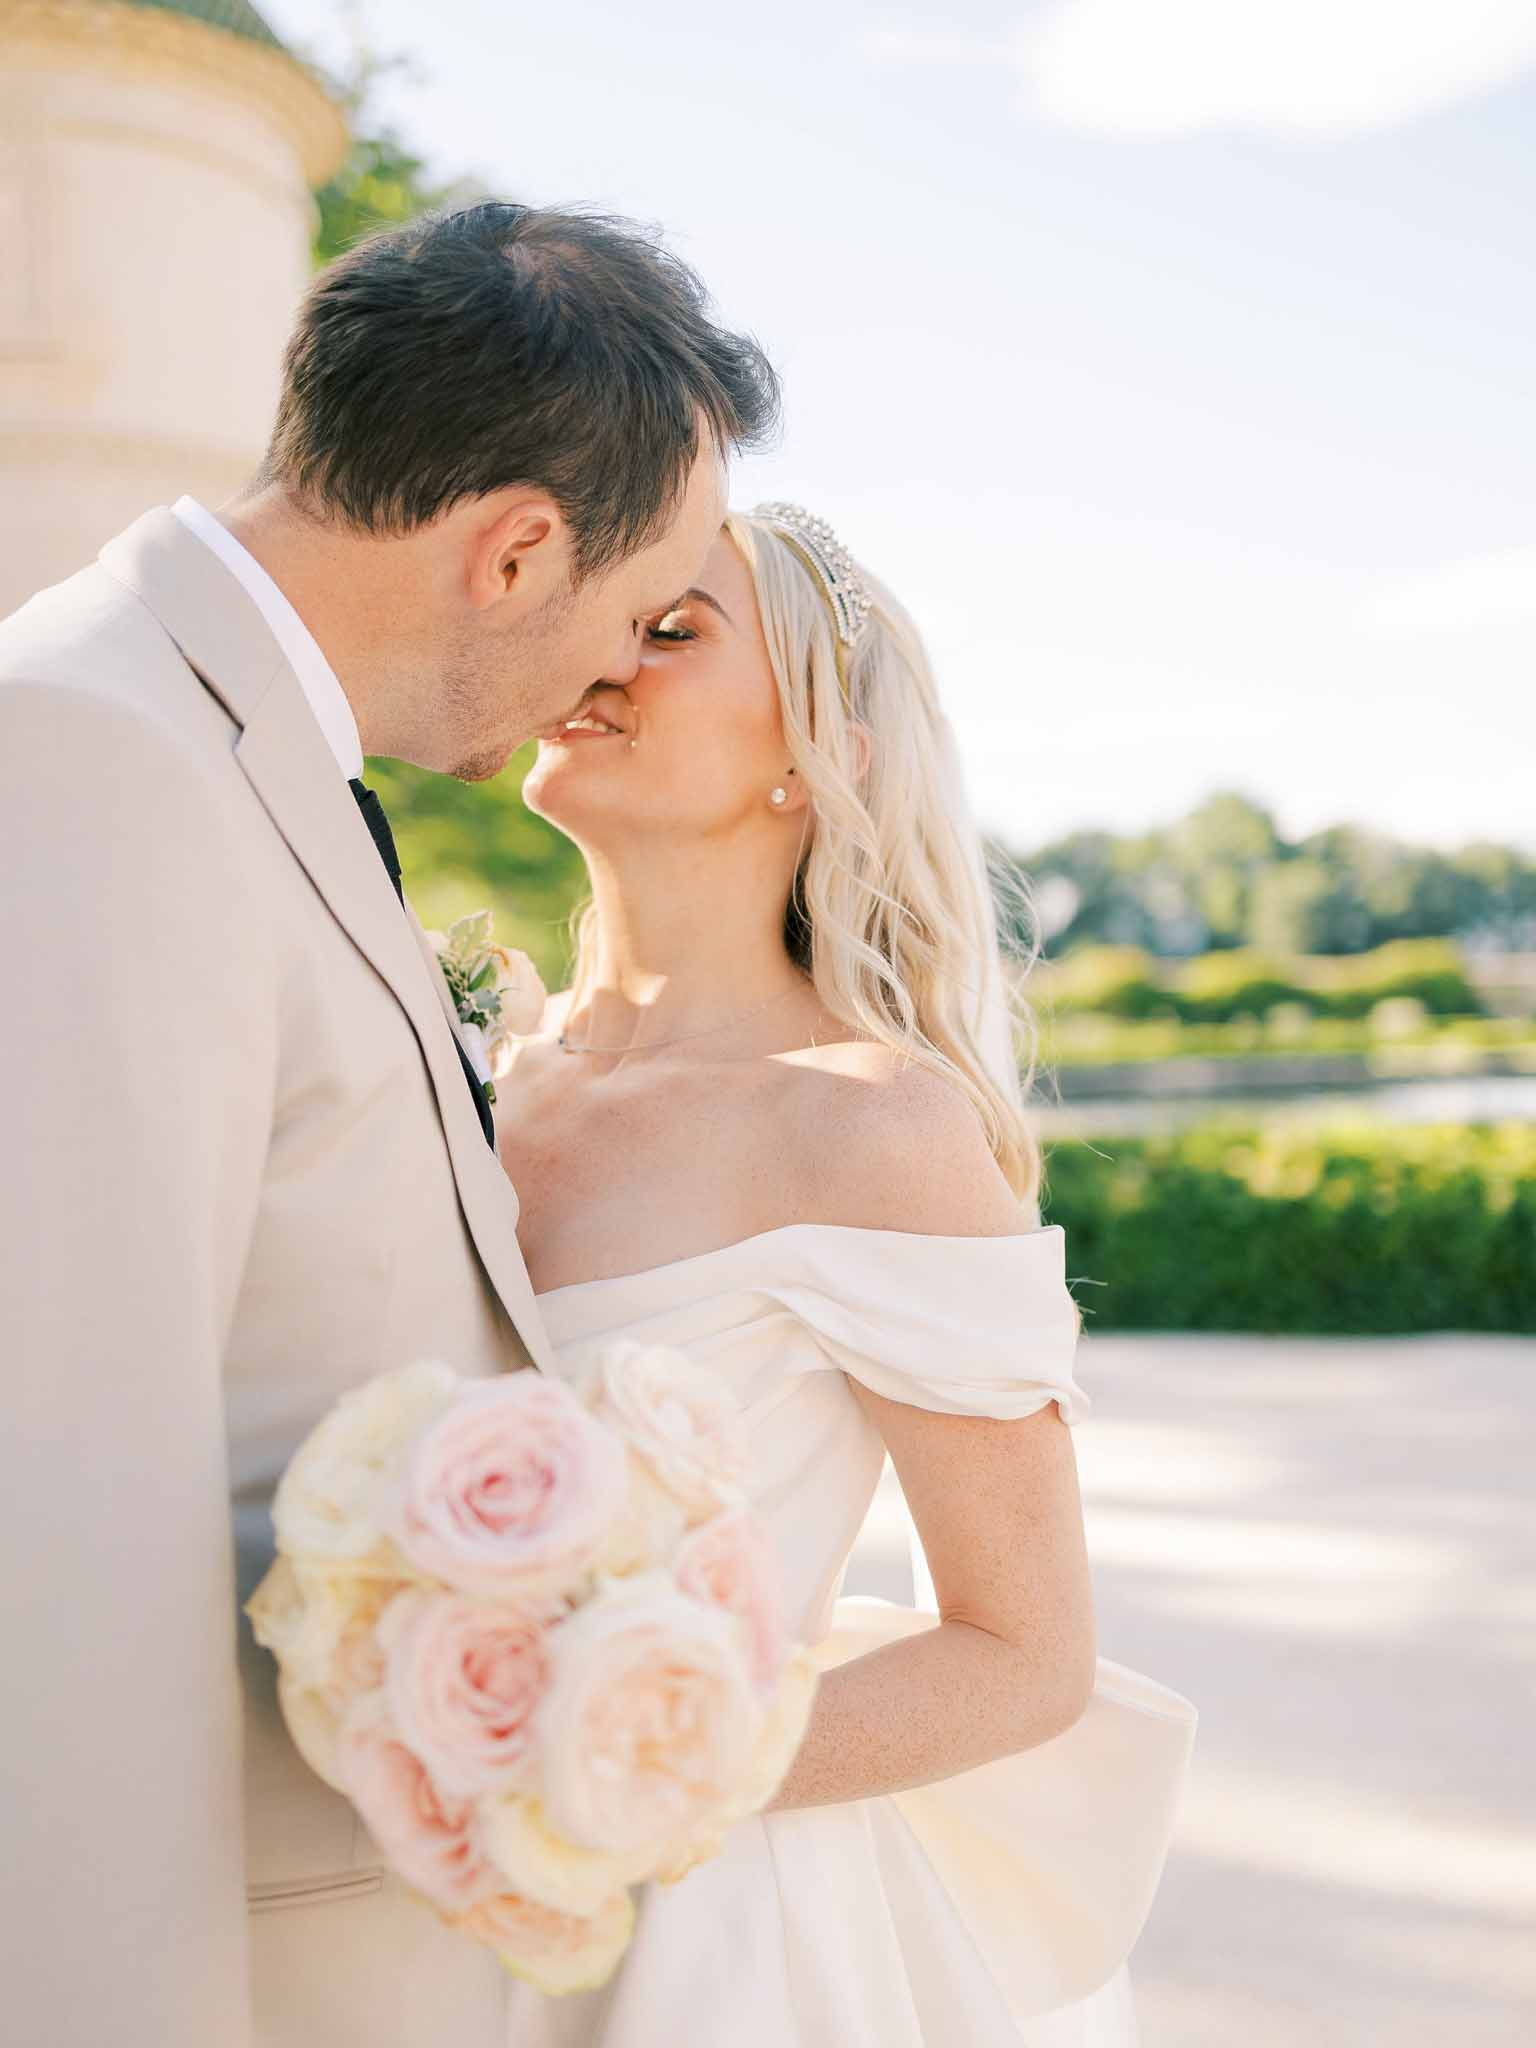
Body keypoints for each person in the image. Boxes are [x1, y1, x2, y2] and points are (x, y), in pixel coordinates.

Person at [0, 200, 777, 2048]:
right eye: (637, 606)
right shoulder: (91, 754)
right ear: (514, 550)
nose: (621, 673)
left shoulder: (215, 743)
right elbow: (64, 1510)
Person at [491, 503, 1198, 2046]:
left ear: (811, 759)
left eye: (671, 631)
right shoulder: (469, 1076)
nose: (601, 655)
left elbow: (1025, 1656)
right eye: (603, 611)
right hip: (368, 1898)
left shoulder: (872, 1127)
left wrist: (620, 1772)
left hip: (696, 1943)